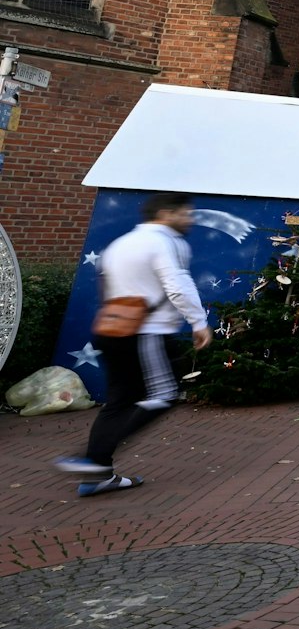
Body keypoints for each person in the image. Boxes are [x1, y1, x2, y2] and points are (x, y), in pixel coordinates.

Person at [54, 192, 211, 495]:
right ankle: (92, 463)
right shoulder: (166, 242)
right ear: (166, 213)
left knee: (119, 401)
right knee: (164, 395)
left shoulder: (120, 243)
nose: (189, 219)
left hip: (111, 330)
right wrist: (198, 323)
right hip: (147, 333)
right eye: (185, 213)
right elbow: (177, 285)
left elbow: (110, 288)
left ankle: (97, 476)